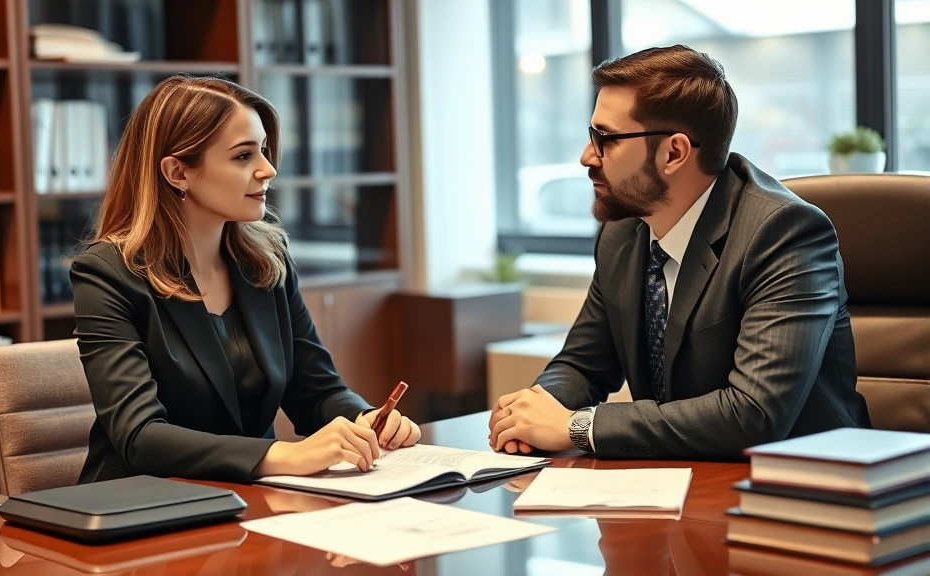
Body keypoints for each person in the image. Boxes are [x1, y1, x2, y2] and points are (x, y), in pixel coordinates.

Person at [489, 45, 870, 460]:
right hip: (674, 480)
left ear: (674, 152)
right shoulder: (622, 230)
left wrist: (578, 427)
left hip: (805, 490)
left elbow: (754, 414)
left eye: (606, 140)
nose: (587, 156)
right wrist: (531, 412)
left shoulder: (784, 234)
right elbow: (583, 364)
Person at [72, 75, 420, 484]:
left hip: (249, 500)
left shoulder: (266, 261)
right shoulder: (108, 274)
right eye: (243, 156)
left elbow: (317, 392)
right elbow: (140, 436)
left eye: (265, 151)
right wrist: (284, 455)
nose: (268, 169)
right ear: (177, 172)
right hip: (142, 508)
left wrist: (365, 418)